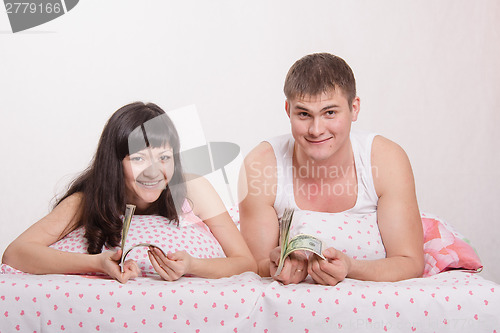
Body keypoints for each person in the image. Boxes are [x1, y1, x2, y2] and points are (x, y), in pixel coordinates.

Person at [2, 102, 257, 283]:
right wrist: (96, 263)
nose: (154, 172)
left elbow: (246, 263)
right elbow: (16, 253)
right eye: (138, 158)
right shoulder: (86, 201)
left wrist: (193, 266)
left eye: (164, 157)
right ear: (115, 162)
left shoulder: (193, 189)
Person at [239, 53, 424, 286]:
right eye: (304, 114)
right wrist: (274, 267)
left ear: (354, 108)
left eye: (330, 113)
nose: (316, 130)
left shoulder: (386, 160)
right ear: (288, 110)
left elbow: (410, 261)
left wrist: (351, 267)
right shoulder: (261, 165)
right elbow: (254, 265)